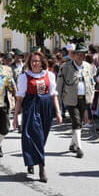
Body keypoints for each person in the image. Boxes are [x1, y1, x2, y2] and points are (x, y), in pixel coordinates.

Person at [13, 51, 62, 182]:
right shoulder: (24, 77)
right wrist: (15, 117)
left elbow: (53, 95)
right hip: (31, 106)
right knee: (35, 135)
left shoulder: (49, 75)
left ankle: (32, 159)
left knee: (42, 137)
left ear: (42, 63)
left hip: (46, 106)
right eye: (33, 61)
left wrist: (57, 111)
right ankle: (42, 168)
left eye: (37, 61)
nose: (35, 63)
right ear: (29, 63)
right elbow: (19, 98)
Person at [56, 43, 96, 158]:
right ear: (74, 55)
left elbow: (92, 83)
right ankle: (79, 148)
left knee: (79, 123)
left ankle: (73, 144)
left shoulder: (88, 66)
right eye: (78, 54)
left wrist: (91, 96)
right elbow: (60, 84)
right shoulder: (66, 67)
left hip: (84, 98)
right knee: (77, 121)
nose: (81, 57)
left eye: (83, 54)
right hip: (70, 98)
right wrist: (58, 100)